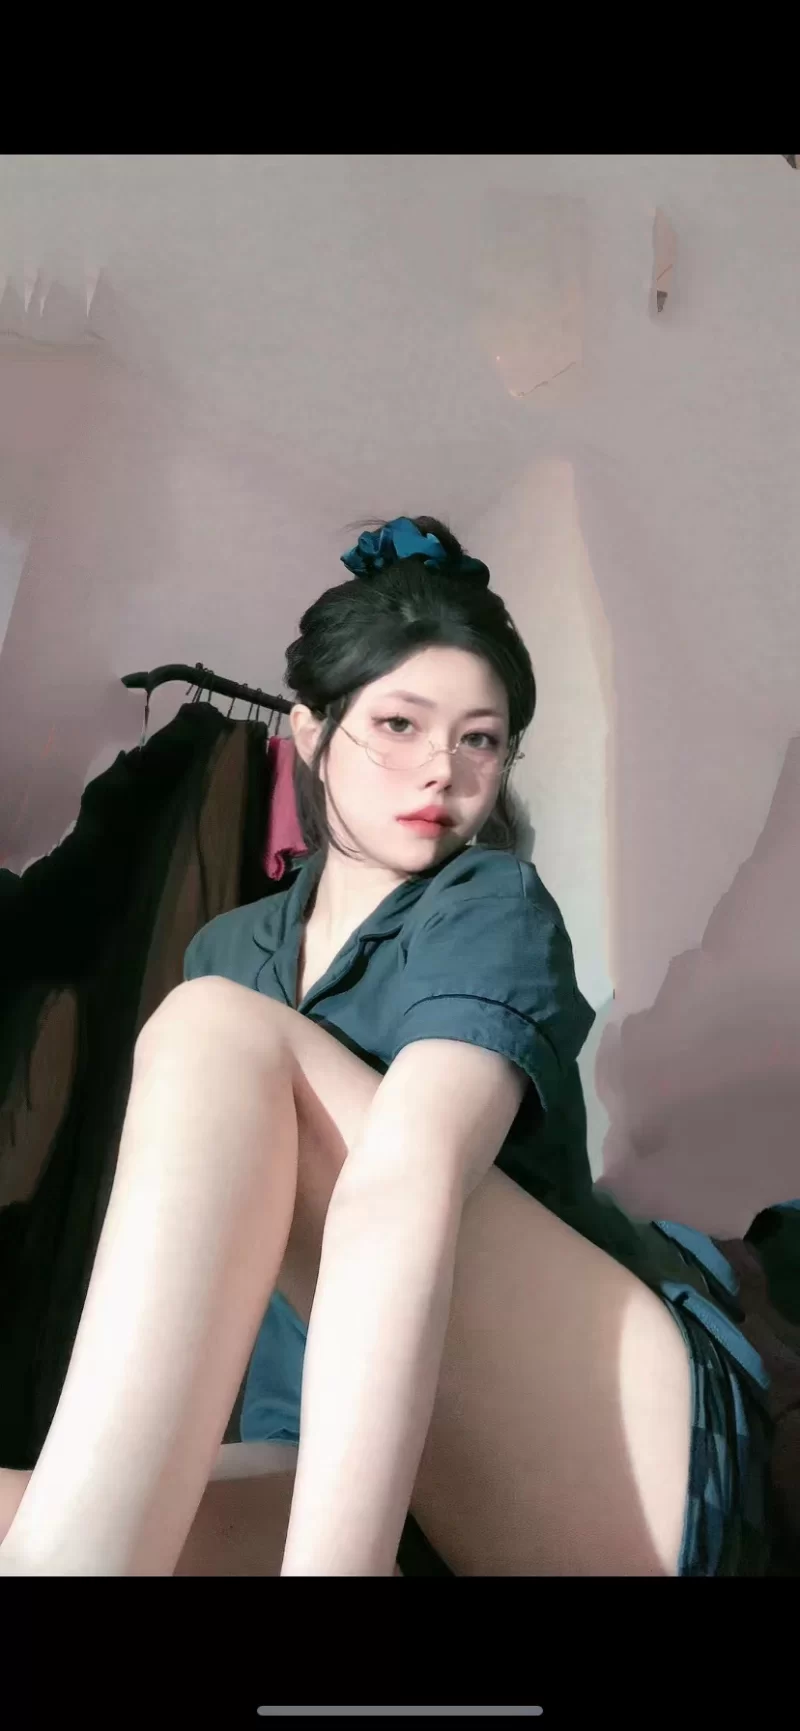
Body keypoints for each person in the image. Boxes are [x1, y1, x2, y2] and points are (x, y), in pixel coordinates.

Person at [0, 516, 772, 1577]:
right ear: (311, 734)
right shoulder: (232, 948)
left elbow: (400, 1192)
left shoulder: (487, 904)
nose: (440, 772)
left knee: (214, 1029)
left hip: (602, 1439)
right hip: (353, 1461)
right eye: (400, 725)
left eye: (479, 739)